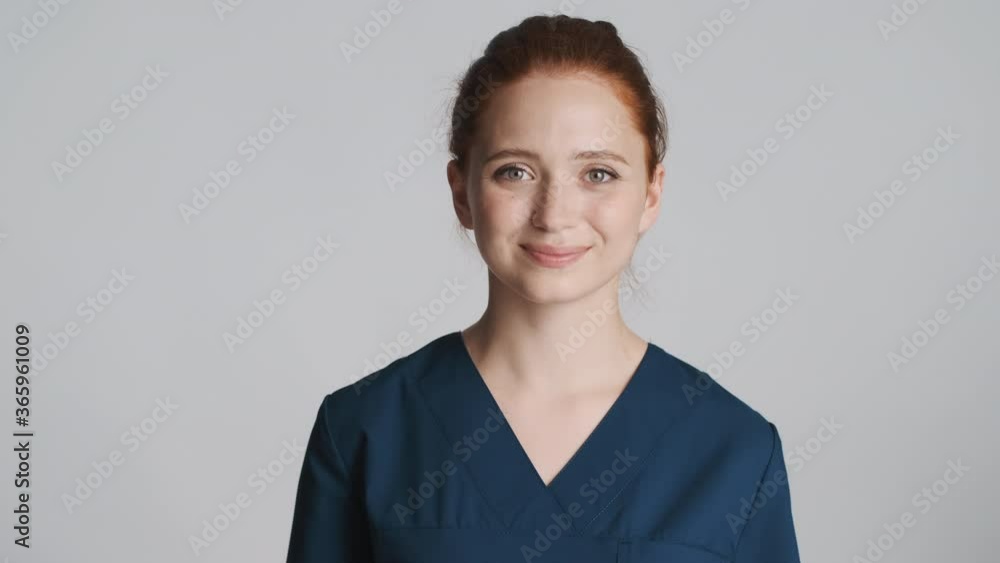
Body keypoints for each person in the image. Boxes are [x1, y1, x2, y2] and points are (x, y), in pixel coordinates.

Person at [285, 14, 800, 563]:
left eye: (597, 173)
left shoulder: (733, 449)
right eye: (515, 171)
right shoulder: (366, 433)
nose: (554, 215)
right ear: (462, 193)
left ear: (651, 194)